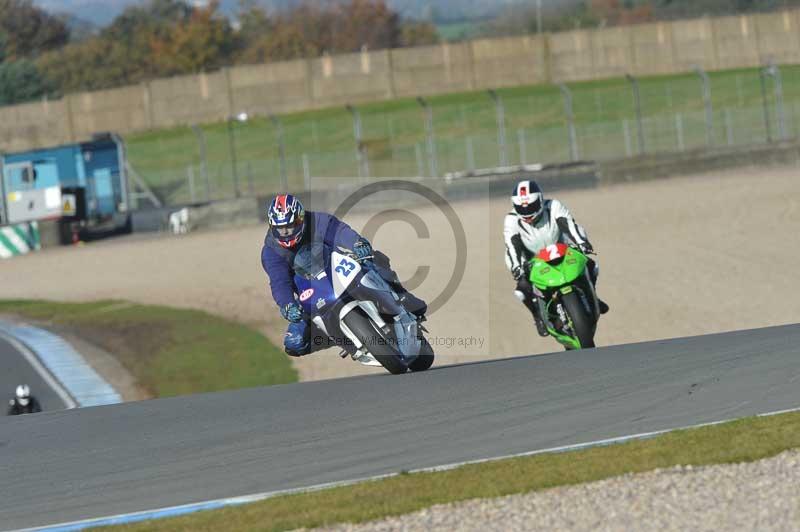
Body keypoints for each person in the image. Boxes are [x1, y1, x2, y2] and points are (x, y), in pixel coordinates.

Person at [261, 194, 426, 357]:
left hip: (336, 267)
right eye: (280, 229)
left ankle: (403, 297)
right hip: (310, 292)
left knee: (374, 260)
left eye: (291, 226)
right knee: (294, 344)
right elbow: (279, 282)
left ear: (300, 219)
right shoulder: (271, 252)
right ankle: (339, 337)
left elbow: (340, 232)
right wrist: (287, 304)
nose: (286, 233)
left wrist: (357, 243)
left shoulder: (317, 221)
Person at [504, 180, 609, 337]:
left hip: (563, 249)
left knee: (590, 265)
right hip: (533, 258)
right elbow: (512, 244)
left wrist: (582, 242)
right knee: (522, 289)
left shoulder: (553, 206)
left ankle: (593, 296)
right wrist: (517, 267)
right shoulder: (511, 219)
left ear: (540, 200)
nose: (527, 214)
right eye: (521, 208)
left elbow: (569, 224)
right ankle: (538, 316)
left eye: (531, 207)